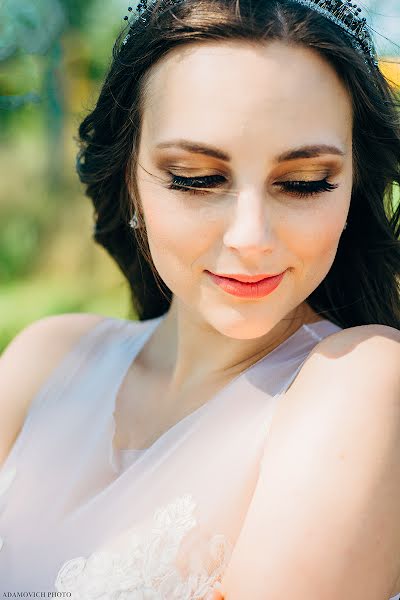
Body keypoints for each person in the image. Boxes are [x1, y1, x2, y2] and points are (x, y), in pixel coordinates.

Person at [0, 0, 399, 597]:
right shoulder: (48, 357)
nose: (250, 238)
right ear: (130, 179)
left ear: (351, 189)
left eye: (303, 184)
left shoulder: (366, 382)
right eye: (196, 178)